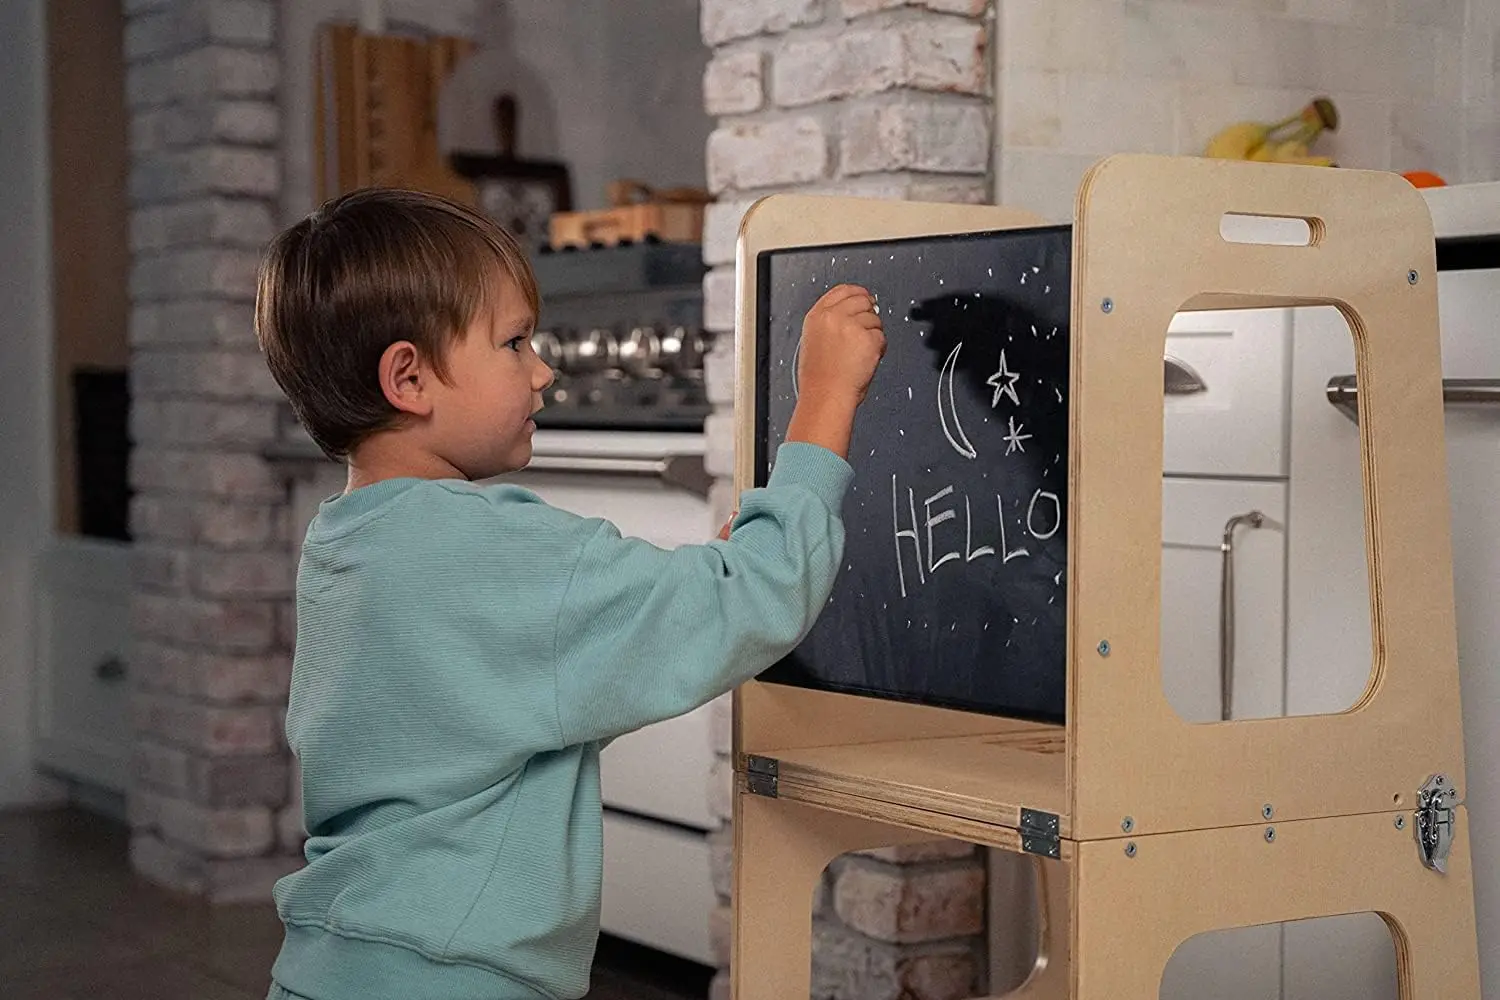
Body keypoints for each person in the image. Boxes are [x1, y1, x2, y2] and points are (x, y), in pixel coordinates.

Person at [252, 186, 885, 1000]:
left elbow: (516, 702)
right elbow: (758, 597)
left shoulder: (348, 546)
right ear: (408, 377)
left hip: (331, 967)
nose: (543, 370)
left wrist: (684, 591)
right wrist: (827, 400)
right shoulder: (490, 547)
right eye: (514, 343)